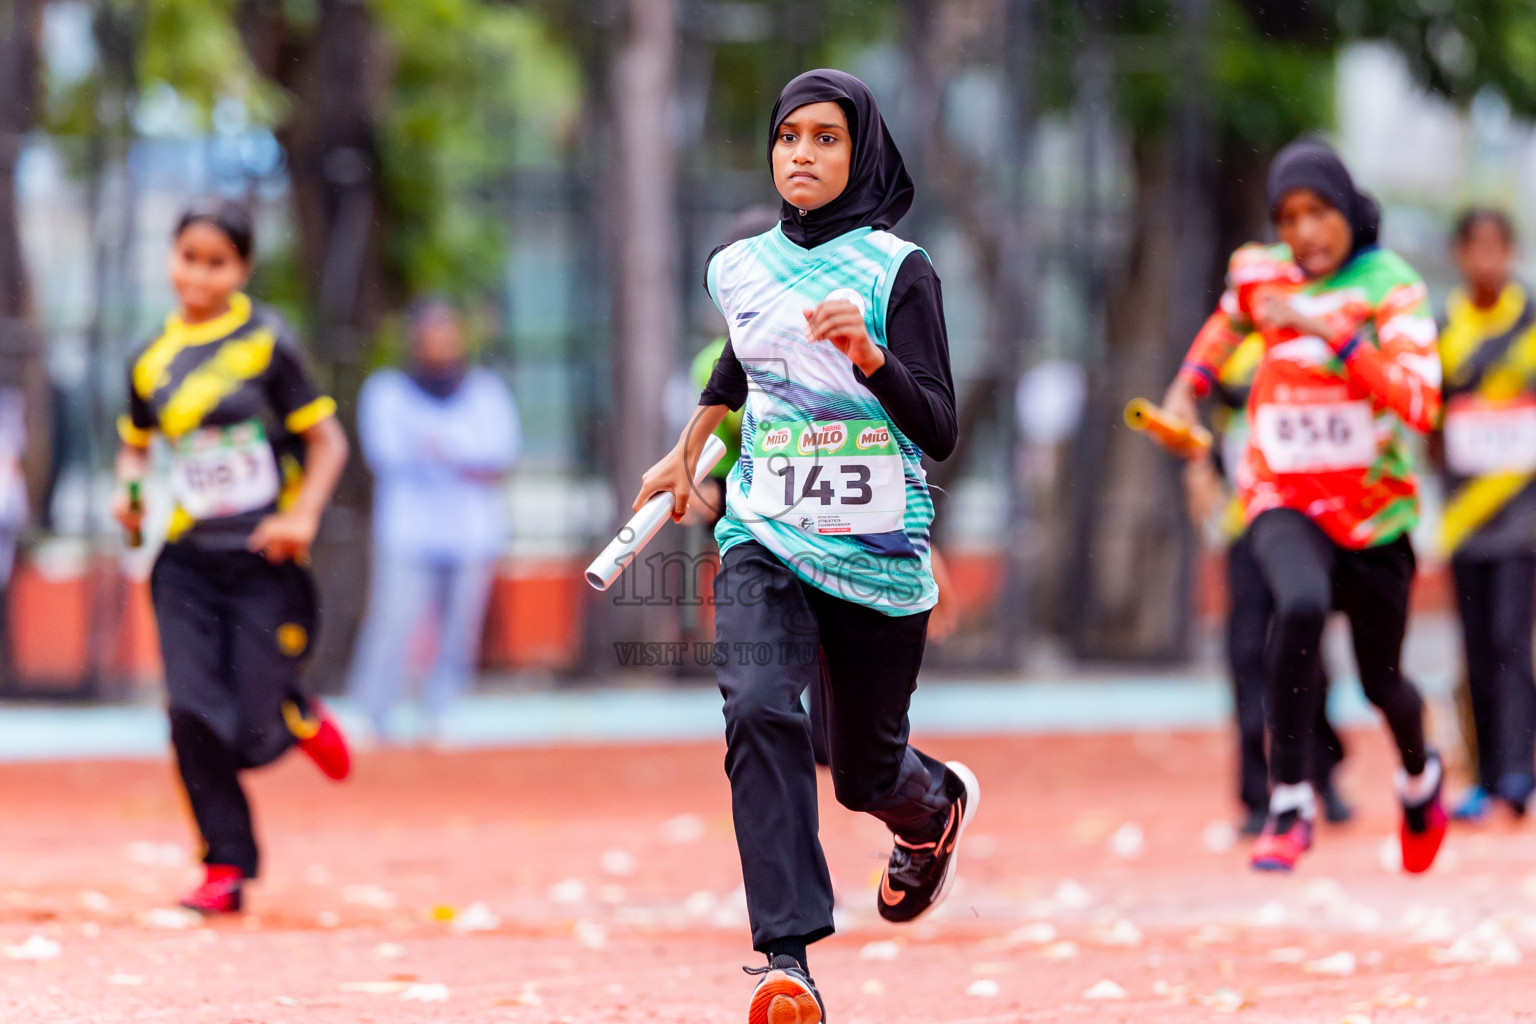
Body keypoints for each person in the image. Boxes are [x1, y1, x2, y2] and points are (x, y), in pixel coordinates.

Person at [633, 70, 977, 1024]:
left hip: (874, 553)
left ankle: (932, 807)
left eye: (826, 138)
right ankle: (785, 959)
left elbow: (940, 426)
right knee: (755, 706)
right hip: (765, 533)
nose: (802, 154)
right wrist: (686, 450)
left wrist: (871, 357)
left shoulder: (898, 271)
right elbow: (740, 364)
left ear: (860, 154)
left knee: (863, 772)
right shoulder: (741, 266)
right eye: (789, 136)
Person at [1161, 140, 1446, 874]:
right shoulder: (1260, 274)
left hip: (1374, 514)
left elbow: (1420, 403)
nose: (1305, 232)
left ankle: (1421, 777)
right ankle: (1290, 799)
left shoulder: (1392, 287)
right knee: (1298, 606)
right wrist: (1184, 393)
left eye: (1319, 212)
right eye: (1288, 217)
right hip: (1284, 493)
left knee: (1383, 682)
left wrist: (1332, 331)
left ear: (1348, 208)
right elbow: (1221, 334)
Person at [113, 199, 351, 914]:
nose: (199, 276)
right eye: (188, 258)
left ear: (242, 268)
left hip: (259, 556)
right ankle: (224, 866)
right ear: (171, 258)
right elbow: (136, 445)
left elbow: (327, 442)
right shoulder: (148, 359)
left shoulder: (266, 343)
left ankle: (293, 711)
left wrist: (301, 516)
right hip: (186, 561)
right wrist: (129, 493)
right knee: (190, 713)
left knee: (247, 728)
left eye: (216, 263)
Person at [1184, 334, 1353, 835]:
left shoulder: (1310, 347)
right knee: (1246, 656)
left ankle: (1322, 774)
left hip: (1301, 528)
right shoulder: (1228, 352)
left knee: (1305, 652)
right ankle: (1257, 795)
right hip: (1245, 532)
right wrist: (1198, 468)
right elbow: (1205, 428)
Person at [347, 299, 520, 742]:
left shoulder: (485, 390)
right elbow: (386, 454)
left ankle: (440, 711)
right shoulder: (387, 391)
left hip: (471, 531)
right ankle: (373, 713)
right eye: (430, 335)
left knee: (459, 629)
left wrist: (440, 448)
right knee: (392, 622)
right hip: (408, 529)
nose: (439, 345)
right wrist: (461, 453)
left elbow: (499, 453)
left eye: (447, 334)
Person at [1436, 207, 1536, 820]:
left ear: (1511, 252)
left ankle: (1520, 771)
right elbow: (1429, 418)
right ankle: (1484, 774)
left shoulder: (1530, 320)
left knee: (1510, 638)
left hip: (1524, 519)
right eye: (1475, 249)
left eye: (1496, 248)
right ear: (1459, 255)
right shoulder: (1443, 326)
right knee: (1474, 647)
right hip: (1463, 521)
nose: (1486, 261)